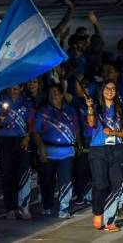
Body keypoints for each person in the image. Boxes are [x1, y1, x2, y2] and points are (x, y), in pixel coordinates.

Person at [85, 80, 123, 232]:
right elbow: (91, 123)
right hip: (98, 150)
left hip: (117, 148)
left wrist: (113, 132)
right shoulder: (97, 108)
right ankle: (98, 212)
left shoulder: (122, 110)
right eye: (107, 88)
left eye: (113, 88)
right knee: (100, 184)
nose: (110, 91)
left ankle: (110, 220)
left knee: (116, 184)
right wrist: (90, 108)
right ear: (102, 90)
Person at [33, 83, 81, 219]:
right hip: (48, 152)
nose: (53, 95)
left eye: (56, 93)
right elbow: (35, 132)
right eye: (50, 93)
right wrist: (41, 148)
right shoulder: (42, 111)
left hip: (67, 152)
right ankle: (46, 205)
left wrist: (79, 145)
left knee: (65, 181)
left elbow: (76, 130)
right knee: (46, 181)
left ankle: (64, 209)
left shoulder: (71, 110)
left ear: (61, 94)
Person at [0, 85, 33, 220]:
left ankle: (24, 206)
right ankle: (10, 208)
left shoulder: (27, 101)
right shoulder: (0, 100)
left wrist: (27, 137)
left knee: (24, 173)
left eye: (16, 89)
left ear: (21, 88)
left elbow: (31, 122)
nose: (13, 91)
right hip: (5, 140)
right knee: (7, 174)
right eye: (10, 88)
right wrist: (1, 116)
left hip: (22, 140)